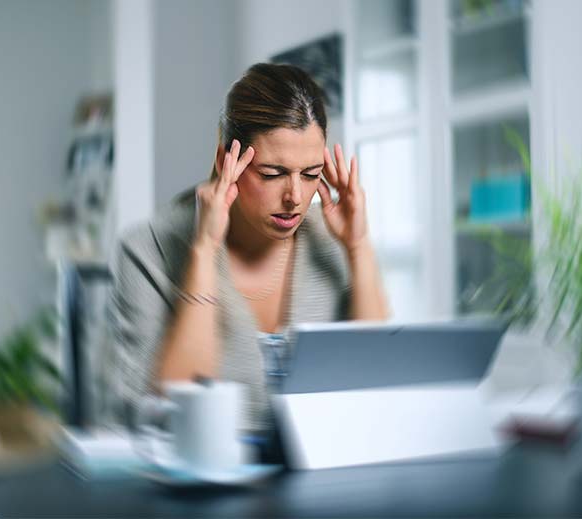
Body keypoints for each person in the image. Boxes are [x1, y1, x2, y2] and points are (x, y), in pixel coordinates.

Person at [108, 63, 389, 444]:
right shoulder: (149, 249)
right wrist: (204, 252)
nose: (295, 197)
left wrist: (358, 247)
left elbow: (379, 385)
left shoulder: (331, 238)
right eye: (272, 173)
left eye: (311, 174)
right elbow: (170, 417)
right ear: (228, 160)